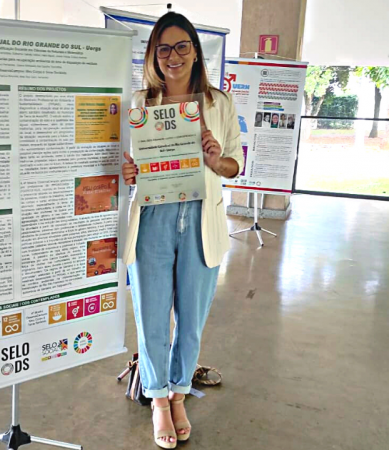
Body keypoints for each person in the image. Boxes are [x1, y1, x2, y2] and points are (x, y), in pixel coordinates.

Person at [121, 12, 243, 449]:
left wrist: (215, 159)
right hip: (152, 218)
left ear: (195, 51)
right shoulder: (138, 103)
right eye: (164, 48)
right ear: (153, 54)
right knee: (151, 317)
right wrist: (128, 172)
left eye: (181, 47)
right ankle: (156, 399)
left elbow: (234, 165)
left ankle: (177, 394)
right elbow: (123, 167)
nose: (173, 56)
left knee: (190, 321)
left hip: (200, 219)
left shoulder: (218, 103)